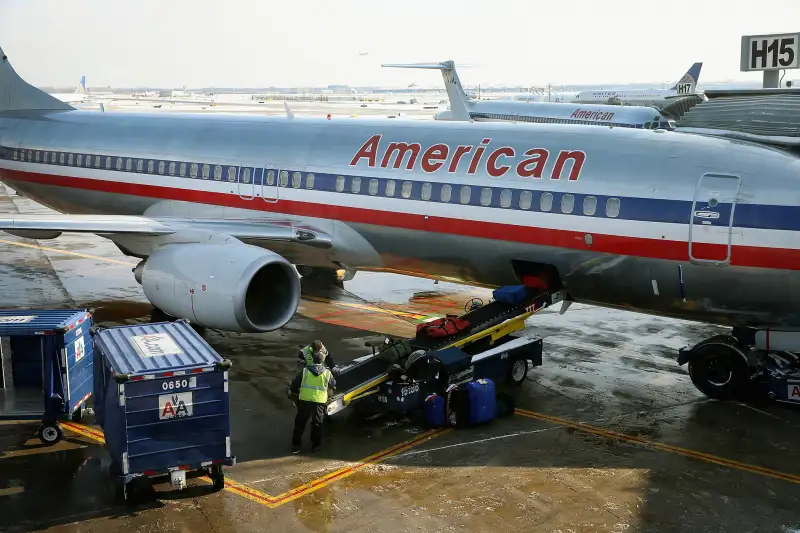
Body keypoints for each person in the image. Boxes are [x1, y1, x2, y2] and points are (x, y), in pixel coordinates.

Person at [289, 350, 336, 453]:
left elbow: (295, 385)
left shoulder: (305, 371)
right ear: (323, 361)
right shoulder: (327, 373)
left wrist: (293, 395)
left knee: (300, 423)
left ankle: (296, 446)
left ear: (313, 360)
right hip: (319, 402)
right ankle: (316, 445)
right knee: (317, 424)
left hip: (304, 400)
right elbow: (333, 384)